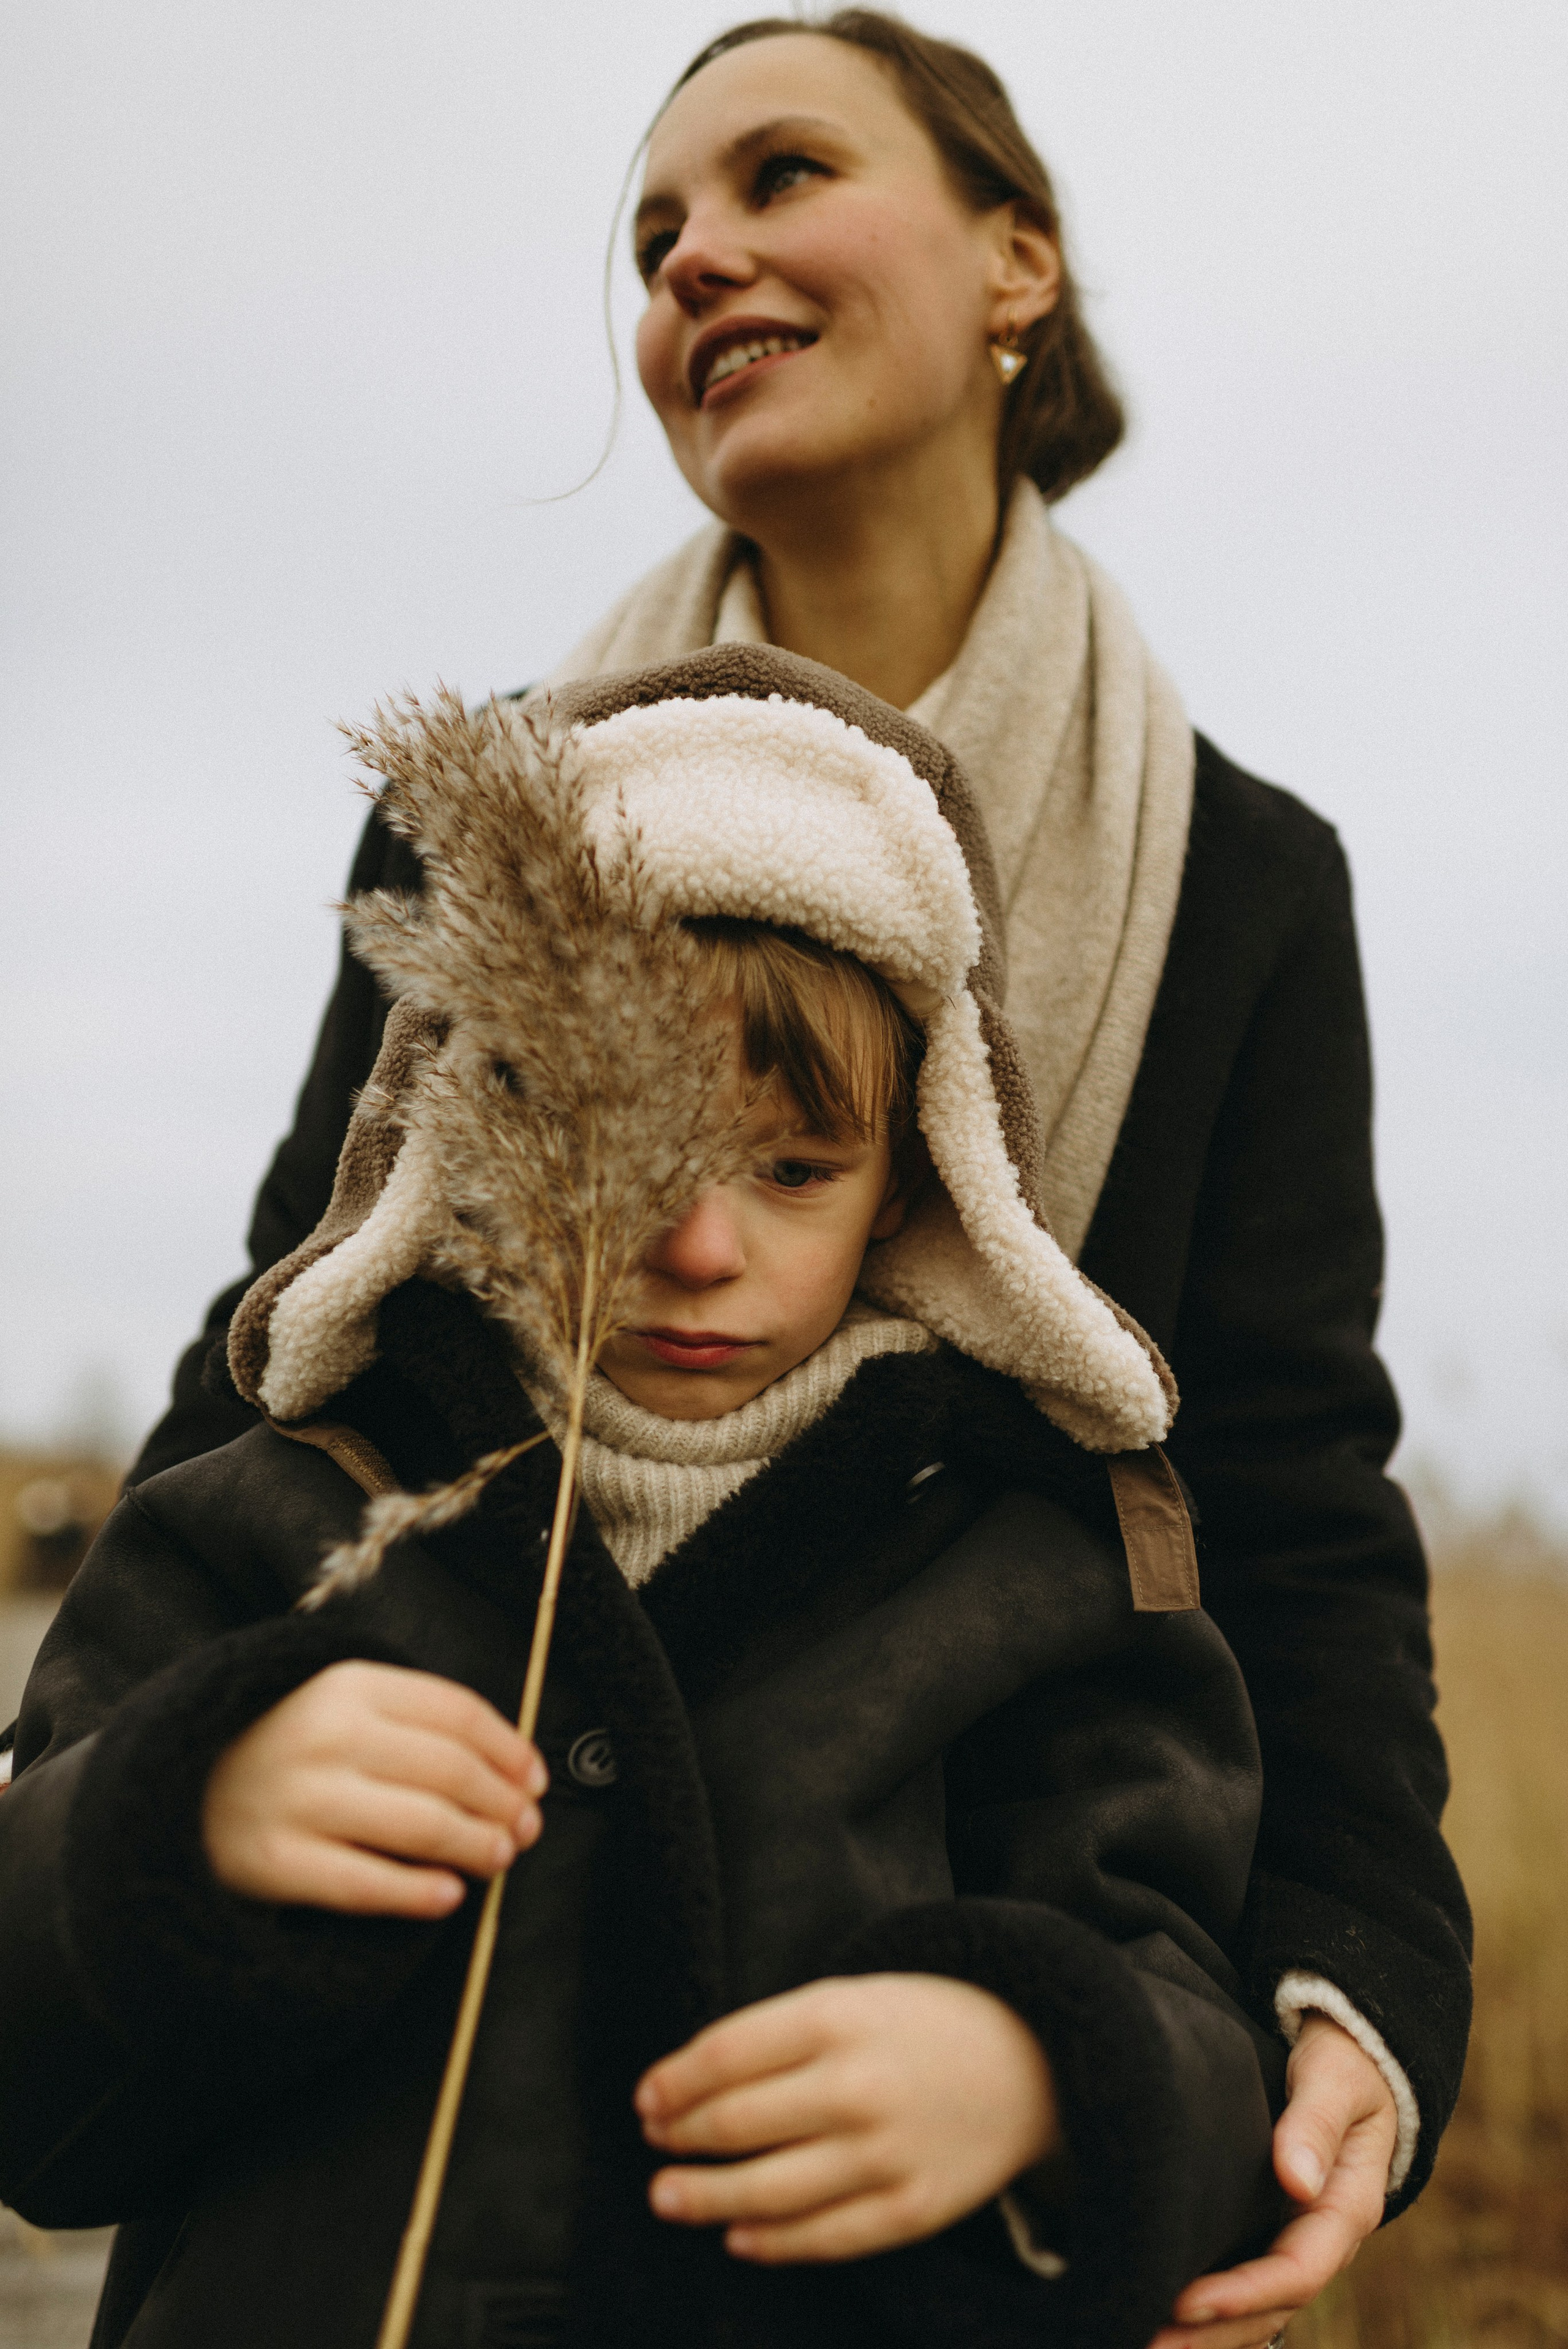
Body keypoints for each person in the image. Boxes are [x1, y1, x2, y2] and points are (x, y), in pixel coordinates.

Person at [115, 12, 1469, 2345]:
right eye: (653, 236)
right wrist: (149, 1774)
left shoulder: (1236, 881)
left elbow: (1284, 1484)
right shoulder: (484, 827)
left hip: (890, 2113)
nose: (697, 259)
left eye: (778, 177)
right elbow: (279, 1351)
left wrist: (1351, 1974)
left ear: (1015, 259)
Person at [7, 650, 1291, 2349]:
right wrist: (175, 1824)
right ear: (484, 1126)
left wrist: (1047, 2074)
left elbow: (1195, 2013)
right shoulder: (274, 1515)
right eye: (632, 1151)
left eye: (792, 1167)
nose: (699, 1247)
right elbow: (40, 2099)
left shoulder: (1025, 1571)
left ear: (918, 1166)